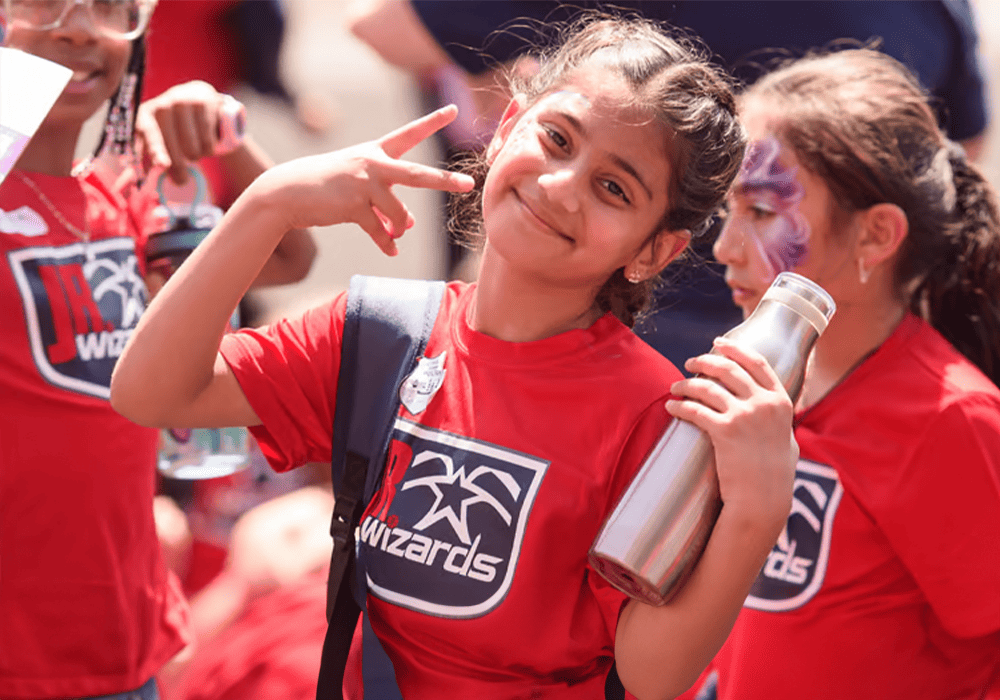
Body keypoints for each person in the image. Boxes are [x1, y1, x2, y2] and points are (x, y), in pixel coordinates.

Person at [111, 15, 799, 699]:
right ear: (505, 128)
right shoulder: (382, 332)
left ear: (652, 251)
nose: (562, 185)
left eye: (613, 188)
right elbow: (152, 393)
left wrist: (754, 514)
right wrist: (267, 204)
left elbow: (650, 676)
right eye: (556, 139)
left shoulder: (651, 413)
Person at [0, 0, 315, 696]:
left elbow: (289, 256)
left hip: (124, 644)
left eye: (112, 8)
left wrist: (222, 134)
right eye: (45, 2)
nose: (82, 27)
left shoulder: (129, 203)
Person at [685, 48, 1000, 700]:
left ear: (876, 236)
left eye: (763, 212)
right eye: (728, 210)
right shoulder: (752, 375)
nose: (723, 247)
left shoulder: (952, 421)